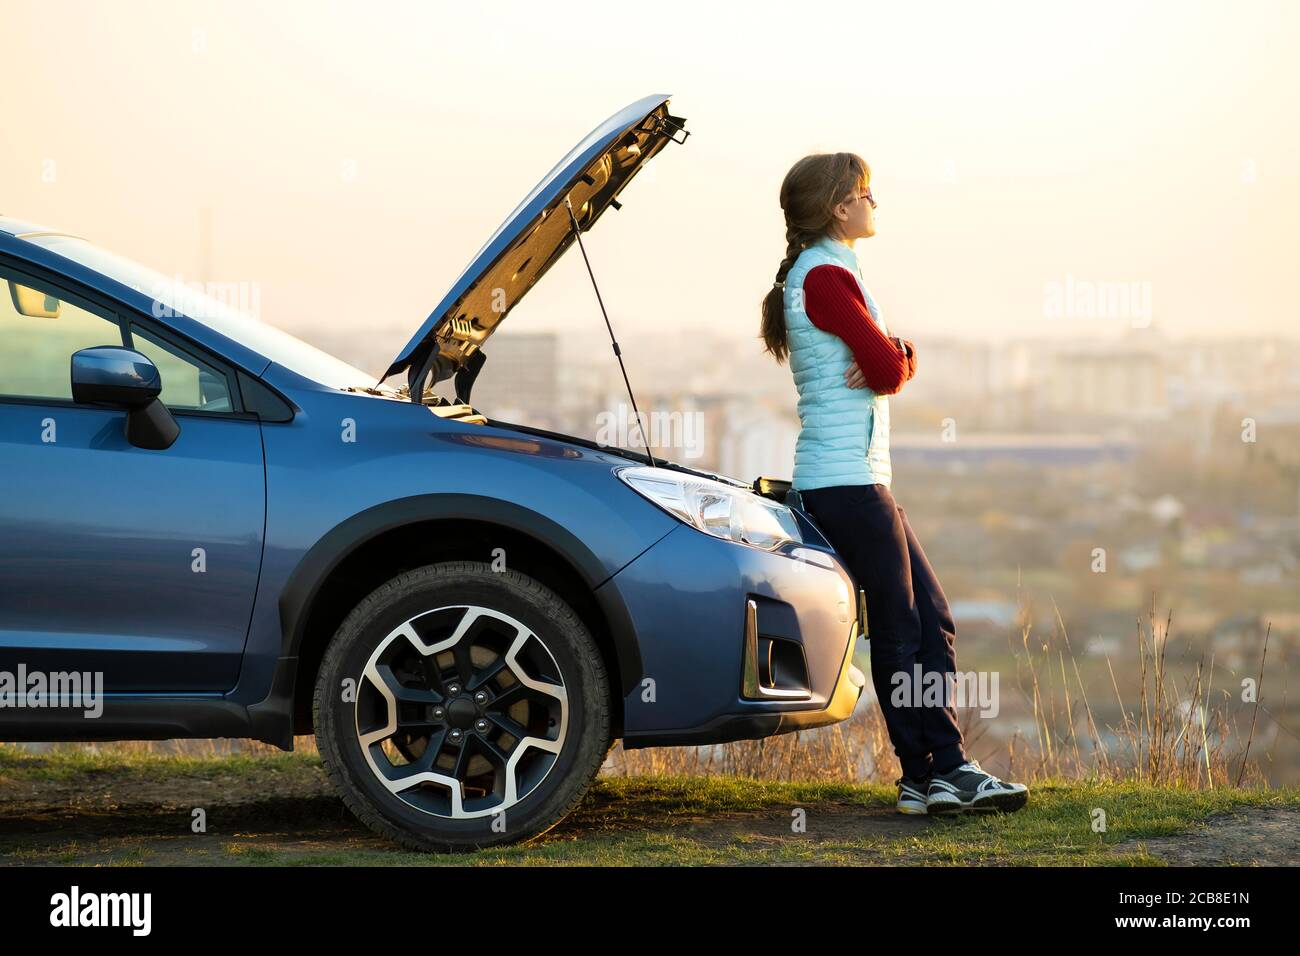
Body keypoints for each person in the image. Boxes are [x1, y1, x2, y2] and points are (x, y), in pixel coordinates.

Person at [759, 152, 1028, 815]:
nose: (875, 204)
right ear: (839, 207)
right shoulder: (823, 275)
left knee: (931, 620)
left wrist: (895, 352)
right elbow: (882, 367)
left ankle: (942, 770)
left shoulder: (830, 272)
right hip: (845, 484)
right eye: (866, 194)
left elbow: (885, 359)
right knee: (903, 631)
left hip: (862, 480)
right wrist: (896, 355)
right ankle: (930, 773)